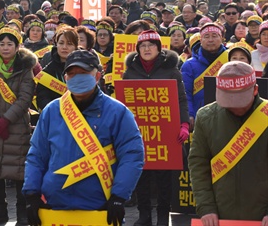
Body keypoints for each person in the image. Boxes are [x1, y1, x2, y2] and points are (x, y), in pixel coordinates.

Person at [23, 49, 145, 226]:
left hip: (100, 206)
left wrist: (119, 196)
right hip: (55, 205)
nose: (77, 77)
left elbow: (132, 156)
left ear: (97, 76)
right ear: (65, 78)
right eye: (71, 74)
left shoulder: (118, 112)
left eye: (83, 73)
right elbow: (37, 154)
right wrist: (32, 194)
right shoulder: (52, 110)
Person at [122, 31, 190, 226]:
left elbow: (181, 100)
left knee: (163, 178)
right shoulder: (130, 72)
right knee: (141, 174)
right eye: (142, 46)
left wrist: (184, 124)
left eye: (151, 45)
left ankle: (162, 215)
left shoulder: (172, 71)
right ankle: (143, 215)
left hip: (164, 132)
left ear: (159, 48)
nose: (146, 49)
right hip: (139, 132)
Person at [189, 61, 268, 225]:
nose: (235, 107)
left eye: (240, 101)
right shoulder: (206, 117)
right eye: (228, 101)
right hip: (220, 215)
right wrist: (206, 207)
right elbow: (199, 165)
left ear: (255, 90)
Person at [0, 27, 37, 225]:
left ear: (17, 46)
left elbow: (25, 98)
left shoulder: (24, 68)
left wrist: (7, 119)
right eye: (1, 44)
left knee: (19, 172)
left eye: (9, 44)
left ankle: (21, 214)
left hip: (17, 127)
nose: (5, 47)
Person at [182, 23, 228, 122]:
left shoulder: (230, 59)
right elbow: (185, 93)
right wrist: (190, 115)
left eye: (214, 36)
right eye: (206, 37)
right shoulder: (189, 65)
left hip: (228, 115)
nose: (210, 40)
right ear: (201, 40)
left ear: (222, 39)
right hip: (200, 117)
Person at [35, 27, 78, 111]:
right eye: (61, 43)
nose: (64, 47)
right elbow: (42, 98)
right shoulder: (48, 70)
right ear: (56, 44)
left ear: (76, 46)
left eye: (69, 44)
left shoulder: (84, 69)